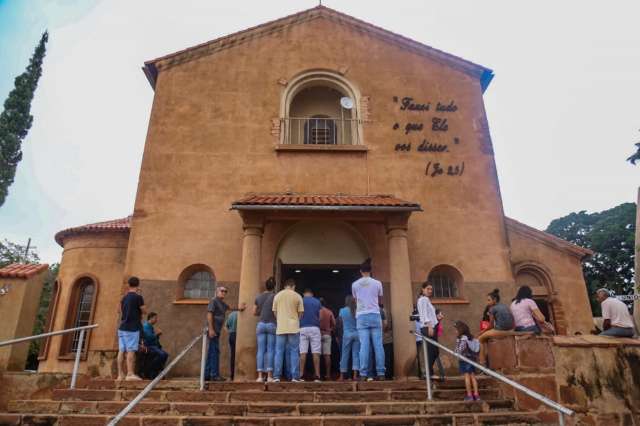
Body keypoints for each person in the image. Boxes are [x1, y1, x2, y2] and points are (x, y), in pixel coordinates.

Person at [352, 258, 385, 381]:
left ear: (361, 271)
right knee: (378, 345)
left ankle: (363, 373)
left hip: (361, 315)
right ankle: (381, 372)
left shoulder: (354, 284)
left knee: (364, 345)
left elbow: (356, 301)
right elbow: (380, 299)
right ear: (371, 271)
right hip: (375, 314)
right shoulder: (377, 283)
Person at [205, 286, 246, 381]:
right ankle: (214, 375)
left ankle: (207, 374)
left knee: (212, 351)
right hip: (213, 330)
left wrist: (240, 308)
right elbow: (209, 314)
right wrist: (211, 329)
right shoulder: (214, 301)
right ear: (217, 292)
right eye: (222, 291)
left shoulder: (222, 304)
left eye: (225, 291)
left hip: (217, 331)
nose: (223, 293)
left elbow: (231, 308)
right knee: (215, 351)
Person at [272, 278, 304, 383]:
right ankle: (295, 376)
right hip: (293, 327)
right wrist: (296, 320)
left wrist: (280, 319)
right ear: (293, 286)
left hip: (281, 327)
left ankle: (276, 376)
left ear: (285, 286)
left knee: (279, 352)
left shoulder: (277, 296)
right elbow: (300, 313)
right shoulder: (297, 296)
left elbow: (275, 311)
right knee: (294, 351)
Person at [117, 276, 146, 381]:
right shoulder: (138, 297)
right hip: (132, 327)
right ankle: (130, 374)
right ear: (138, 285)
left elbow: (119, 311)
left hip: (122, 327)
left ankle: (120, 375)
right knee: (131, 351)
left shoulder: (124, 298)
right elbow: (144, 311)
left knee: (121, 350)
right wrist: (140, 296)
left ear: (128, 285)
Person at [478, 289, 514, 366]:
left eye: (489, 300)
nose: (487, 302)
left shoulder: (492, 309)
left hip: (500, 330)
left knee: (480, 339)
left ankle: (482, 362)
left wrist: (483, 331)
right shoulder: (505, 306)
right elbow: (512, 318)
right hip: (510, 330)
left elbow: (491, 326)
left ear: (494, 300)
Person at [254, 277, 277, 382]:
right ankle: (269, 376)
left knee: (261, 350)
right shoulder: (275, 297)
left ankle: (259, 376)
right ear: (274, 287)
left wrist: (262, 311)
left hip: (261, 324)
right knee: (270, 350)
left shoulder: (258, 297)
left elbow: (254, 312)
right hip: (272, 324)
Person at [299, 288, 322, 382]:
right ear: (311, 294)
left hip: (303, 327)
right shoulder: (317, 302)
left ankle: (301, 375)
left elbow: (298, 315)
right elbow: (320, 316)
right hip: (314, 328)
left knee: (302, 352)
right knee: (316, 353)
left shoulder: (300, 300)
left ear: (304, 294)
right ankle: (317, 375)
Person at [417, 282, 439, 380]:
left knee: (434, 351)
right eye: (428, 289)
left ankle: (428, 372)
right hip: (427, 327)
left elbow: (430, 314)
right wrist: (429, 325)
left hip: (431, 326)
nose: (430, 291)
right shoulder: (423, 299)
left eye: (431, 289)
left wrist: (437, 318)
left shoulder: (427, 300)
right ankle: (428, 372)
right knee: (432, 351)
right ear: (423, 289)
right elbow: (424, 315)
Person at [454, 320, 480, 401]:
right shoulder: (471, 337)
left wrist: (456, 347)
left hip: (464, 360)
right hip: (472, 359)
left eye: (456, 329)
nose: (455, 331)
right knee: (473, 376)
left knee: (466, 377)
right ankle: (476, 395)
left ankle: (469, 395)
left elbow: (459, 350)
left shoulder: (463, 339)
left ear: (460, 330)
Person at [337, 295, 360, 380]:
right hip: (357, 334)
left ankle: (342, 376)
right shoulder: (357, 310)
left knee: (344, 355)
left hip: (347, 334)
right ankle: (355, 375)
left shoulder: (342, 310)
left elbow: (340, 322)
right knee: (356, 355)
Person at [141, 312, 168, 378]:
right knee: (163, 354)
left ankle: (154, 371)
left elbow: (153, 338)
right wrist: (157, 334)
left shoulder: (150, 326)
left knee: (164, 355)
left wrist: (157, 335)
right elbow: (148, 338)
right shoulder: (146, 326)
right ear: (151, 318)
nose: (156, 320)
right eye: (155, 318)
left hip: (154, 346)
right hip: (149, 346)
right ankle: (149, 369)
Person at [319, 297, 336, 380]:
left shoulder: (317, 312)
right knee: (327, 355)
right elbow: (334, 324)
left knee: (317, 355)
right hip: (327, 334)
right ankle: (328, 374)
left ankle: (317, 374)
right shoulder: (329, 312)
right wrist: (330, 329)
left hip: (317, 334)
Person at [225, 310, 238, 380]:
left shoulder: (231, 315)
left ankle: (232, 375)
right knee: (238, 354)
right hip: (238, 334)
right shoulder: (240, 314)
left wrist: (230, 332)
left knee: (233, 355)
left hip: (231, 335)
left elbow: (226, 326)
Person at [434, 309, 445, 381]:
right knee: (435, 357)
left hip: (435, 341)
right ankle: (441, 374)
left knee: (436, 357)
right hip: (433, 341)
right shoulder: (435, 322)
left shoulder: (438, 322)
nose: (442, 315)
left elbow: (439, 333)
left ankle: (442, 374)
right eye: (440, 314)